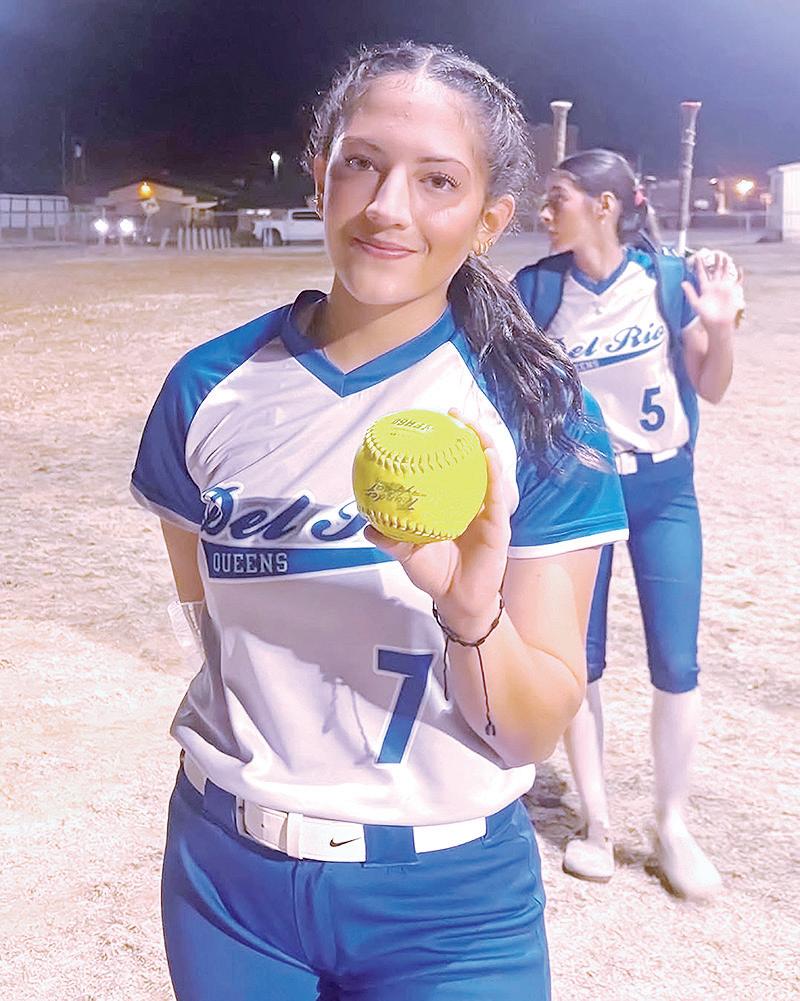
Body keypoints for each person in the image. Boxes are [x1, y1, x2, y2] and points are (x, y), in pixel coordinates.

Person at [131, 46, 628, 1000]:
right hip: (228, 882)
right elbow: (215, 635)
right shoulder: (206, 389)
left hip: (450, 905)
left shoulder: (538, 414)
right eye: (362, 163)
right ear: (322, 177)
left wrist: (470, 613)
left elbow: (530, 731)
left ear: (488, 221)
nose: (388, 207)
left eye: (437, 180)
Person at [514, 149, 742, 900]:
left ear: (604, 205)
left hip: (664, 487)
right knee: (580, 661)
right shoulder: (537, 288)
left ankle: (672, 824)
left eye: (558, 197)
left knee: (676, 662)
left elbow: (711, 386)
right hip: (580, 491)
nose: (545, 211)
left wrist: (720, 328)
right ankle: (598, 821)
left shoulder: (668, 279)